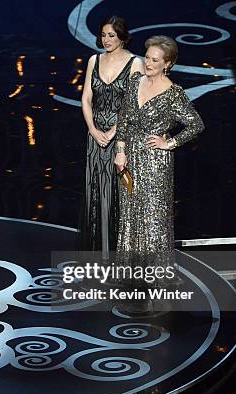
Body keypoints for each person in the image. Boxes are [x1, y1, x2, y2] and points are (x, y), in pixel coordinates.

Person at [114, 36, 204, 267]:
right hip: (129, 159)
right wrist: (120, 151)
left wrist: (170, 143)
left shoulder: (174, 93)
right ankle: (131, 269)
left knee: (154, 217)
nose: (149, 63)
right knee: (131, 213)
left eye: (155, 60)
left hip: (156, 163)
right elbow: (124, 119)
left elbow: (196, 124)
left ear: (168, 63)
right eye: (147, 57)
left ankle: (155, 272)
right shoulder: (135, 81)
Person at [80, 16, 143, 255]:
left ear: (122, 37)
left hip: (121, 137)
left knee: (119, 194)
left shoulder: (135, 63)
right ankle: (99, 254)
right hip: (95, 138)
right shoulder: (93, 60)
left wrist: (113, 132)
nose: (106, 40)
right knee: (96, 193)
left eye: (111, 36)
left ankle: (120, 254)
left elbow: (132, 105)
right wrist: (94, 130)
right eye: (104, 35)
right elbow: (86, 98)